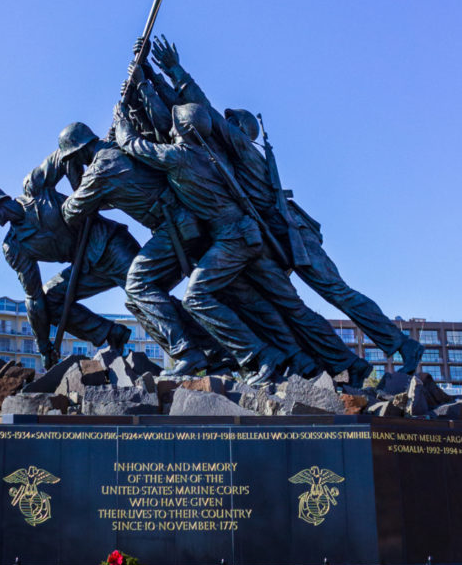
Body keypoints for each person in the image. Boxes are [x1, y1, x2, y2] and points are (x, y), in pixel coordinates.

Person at [144, 36, 425, 374]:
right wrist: (151, 77)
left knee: (337, 292)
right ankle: (340, 362)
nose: (224, 126)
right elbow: (190, 119)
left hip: (292, 233)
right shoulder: (228, 155)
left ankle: (403, 345)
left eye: (230, 122)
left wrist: (175, 70)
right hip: (274, 233)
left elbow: (205, 112)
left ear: (239, 130)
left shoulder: (242, 148)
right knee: (295, 306)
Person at [114, 101, 371, 386]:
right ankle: (338, 361)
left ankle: (258, 355)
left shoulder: (178, 156)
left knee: (195, 298)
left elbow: (133, 145)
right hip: (250, 237)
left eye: (175, 124)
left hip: (232, 239)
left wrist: (121, 119)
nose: (171, 128)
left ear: (184, 129)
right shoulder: (213, 154)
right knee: (284, 307)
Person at [27, 122, 236, 375]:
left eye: (73, 158)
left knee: (138, 285)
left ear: (79, 152)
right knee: (141, 299)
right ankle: (216, 351)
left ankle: (189, 352)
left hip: (174, 226)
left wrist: (75, 178)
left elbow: (71, 212)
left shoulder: (100, 168)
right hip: (178, 223)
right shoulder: (116, 149)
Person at [0, 184, 132, 369]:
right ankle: (112, 333)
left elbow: (67, 168)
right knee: (49, 301)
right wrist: (44, 346)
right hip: (87, 266)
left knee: (144, 290)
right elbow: (34, 297)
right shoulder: (13, 247)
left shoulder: (38, 190)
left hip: (109, 244)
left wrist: (82, 186)